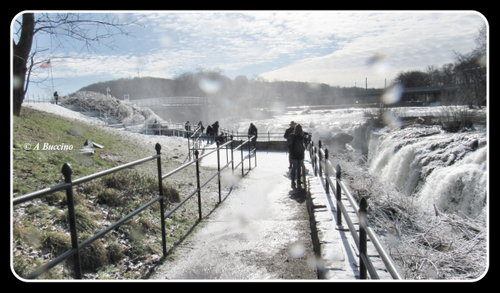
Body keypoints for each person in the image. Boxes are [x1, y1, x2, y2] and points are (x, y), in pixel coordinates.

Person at [288, 124, 306, 189]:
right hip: (299, 153)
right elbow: (299, 142)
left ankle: (293, 180)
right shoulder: (297, 136)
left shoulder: (293, 135)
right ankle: (297, 180)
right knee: (298, 168)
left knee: (295, 167)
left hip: (294, 154)